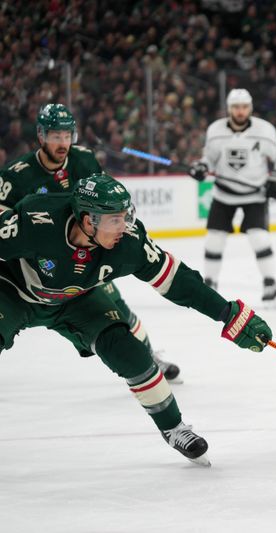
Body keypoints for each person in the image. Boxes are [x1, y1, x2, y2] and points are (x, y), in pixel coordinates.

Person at [0, 173, 272, 465]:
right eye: (114, 220)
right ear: (88, 219)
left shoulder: (128, 242)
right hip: (13, 292)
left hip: (75, 299)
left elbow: (177, 280)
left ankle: (173, 427)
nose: (124, 227)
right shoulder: (37, 220)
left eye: (125, 216)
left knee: (131, 352)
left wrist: (227, 313)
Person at [0, 104, 183, 382]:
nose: (63, 143)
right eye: (55, 136)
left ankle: (146, 358)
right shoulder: (17, 174)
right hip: (37, 266)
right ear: (40, 135)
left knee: (118, 308)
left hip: (88, 255)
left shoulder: (84, 159)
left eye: (67, 135)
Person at [189, 89, 276, 302]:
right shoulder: (215, 130)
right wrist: (201, 167)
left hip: (255, 194)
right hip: (223, 193)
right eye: (236, 107)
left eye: (244, 107)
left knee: (259, 237)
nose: (240, 111)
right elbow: (209, 158)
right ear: (229, 109)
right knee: (213, 240)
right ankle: (210, 283)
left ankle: (269, 282)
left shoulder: (264, 130)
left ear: (250, 108)